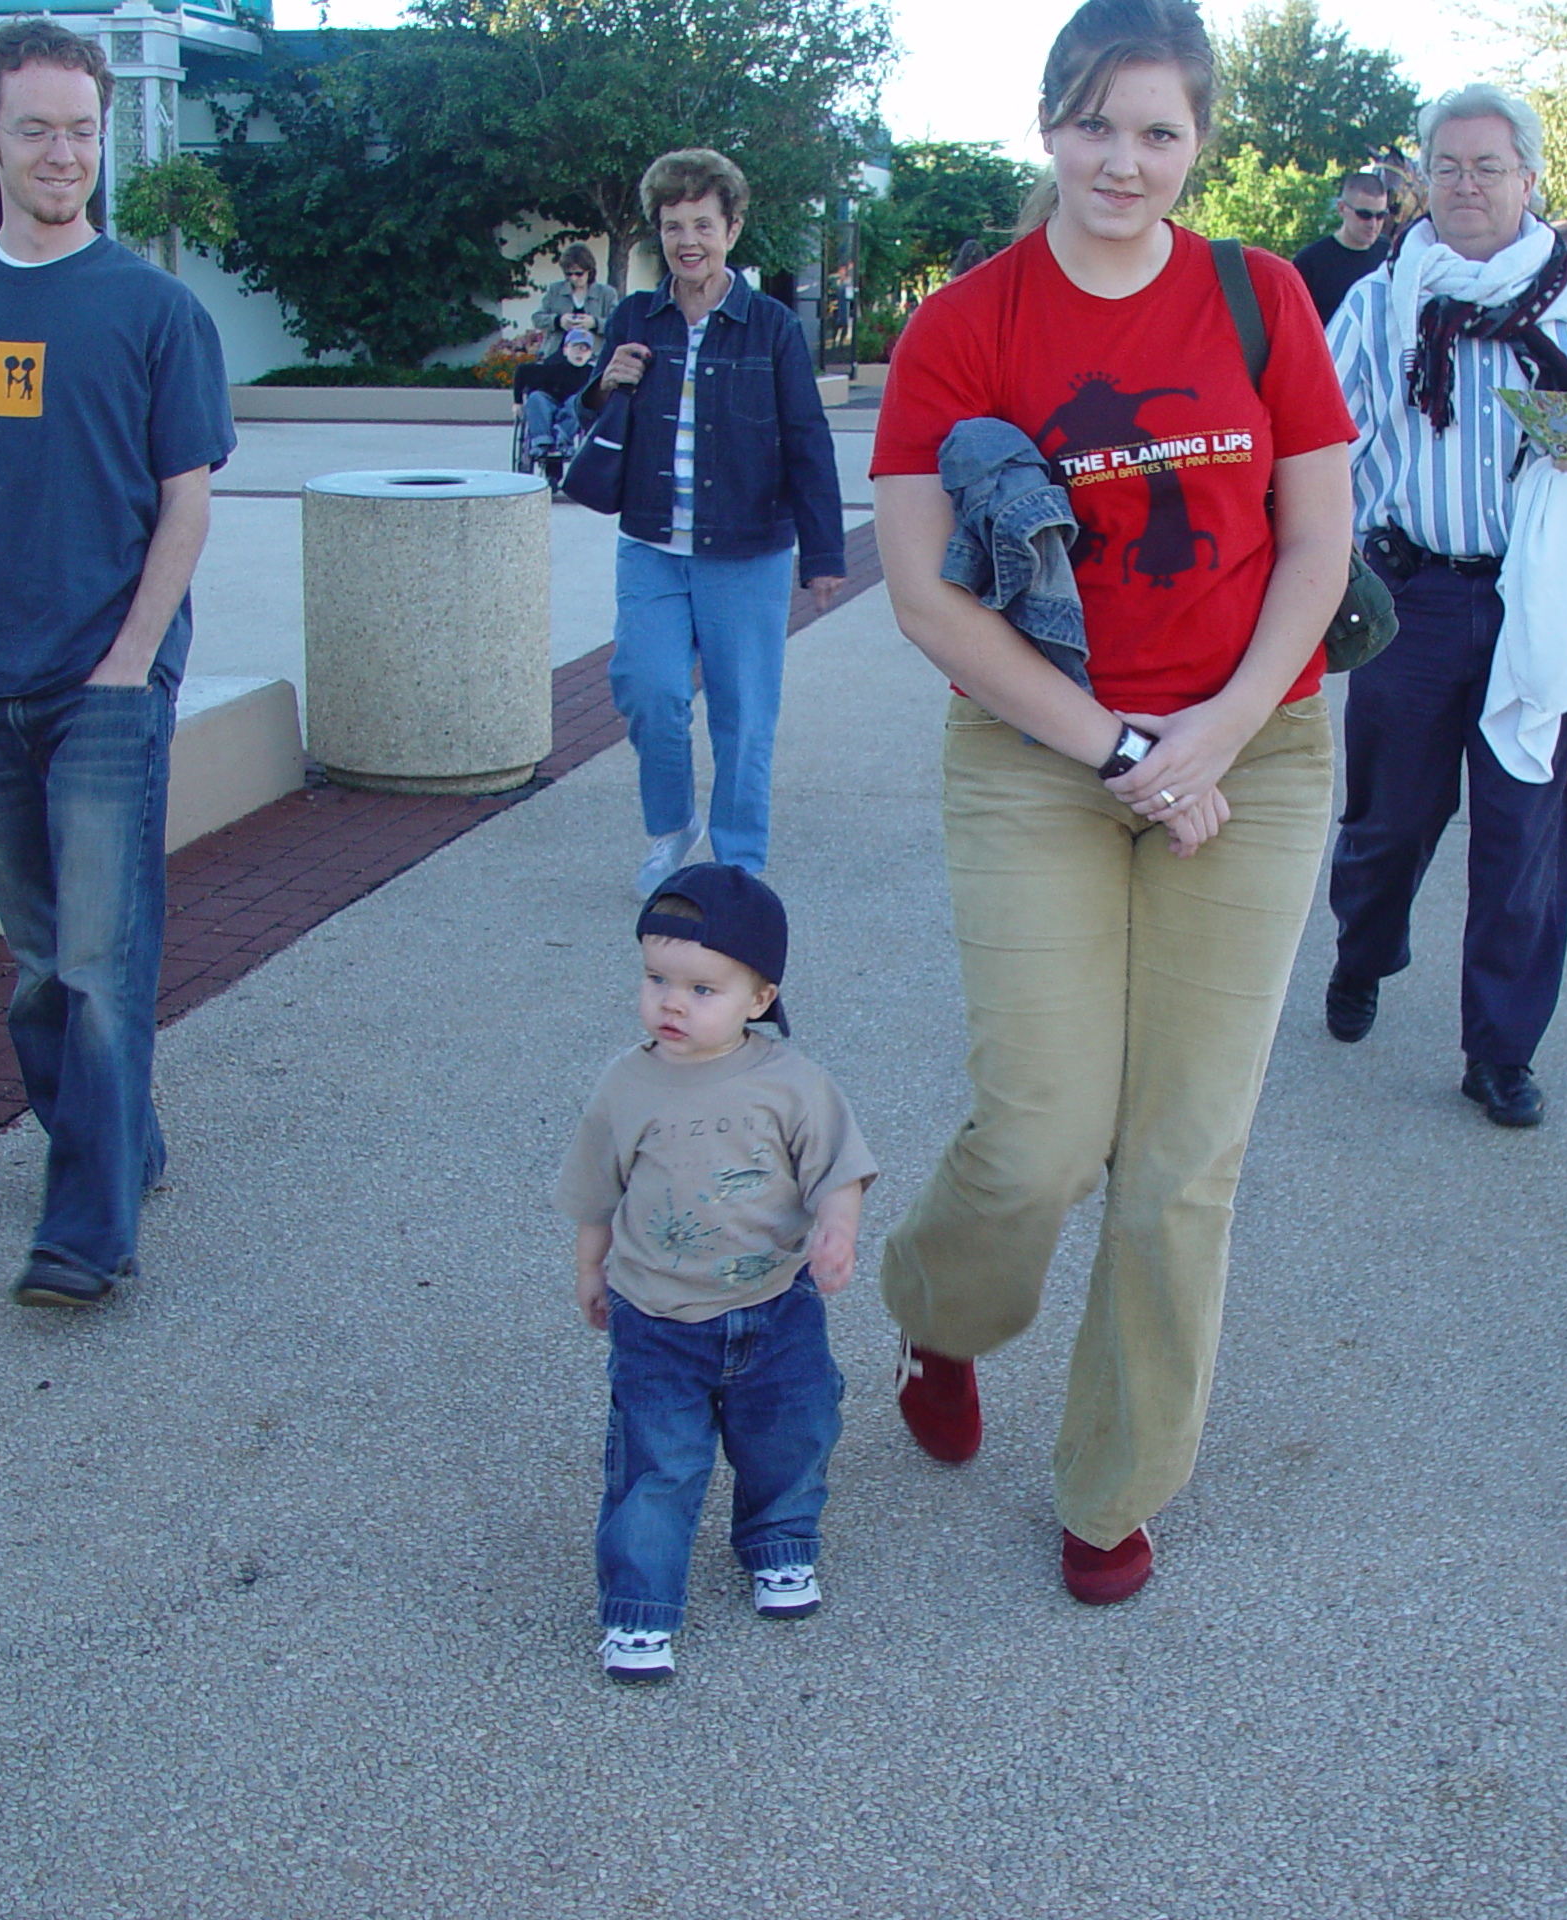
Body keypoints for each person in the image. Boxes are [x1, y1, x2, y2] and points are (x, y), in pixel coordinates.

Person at [868, 0, 1356, 1605]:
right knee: (1041, 1141)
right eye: (1094, 124)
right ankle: (941, 1315)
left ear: (1198, 141)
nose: (1123, 160)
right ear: (1048, 127)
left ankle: (1113, 1481)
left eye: (1158, 131)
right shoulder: (969, 324)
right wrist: (1121, 754)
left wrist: (1210, 738)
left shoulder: (1263, 300)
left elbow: (1318, 548)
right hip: (1040, 759)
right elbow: (929, 601)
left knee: (1182, 1155)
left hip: (1249, 759)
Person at [0, 17, 233, 1308]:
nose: (63, 152)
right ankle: (118, 1139)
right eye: (36, 129)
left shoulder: (156, 311)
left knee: (100, 961)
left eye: (82, 128)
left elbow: (187, 501)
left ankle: (85, 1236)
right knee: (37, 964)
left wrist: (131, 660)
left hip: (107, 689)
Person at [1319, 83, 1567, 1128]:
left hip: (1531, 606)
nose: (1466, 185)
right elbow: (1323, 451)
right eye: (1448, 167)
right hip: (1409, 598)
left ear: (1529, 180)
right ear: (1424, 179)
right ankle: (1363, 951)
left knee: (1524, 844)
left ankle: (1500, 1052)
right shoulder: (1377, 305)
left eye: (1488, 167)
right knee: (1386, 827)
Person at [555, 864, 877, 1685]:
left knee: (793, 1432)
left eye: (703, 989)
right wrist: (591, 1267)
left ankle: (779, 1542)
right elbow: (598, 1189)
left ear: (759, 999)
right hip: (657, 1316)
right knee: (656, 1460)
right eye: (657, 979)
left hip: (777, 1306)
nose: (671, 1003)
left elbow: (837, 1168)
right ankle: (639, 1607)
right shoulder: (625, 1086)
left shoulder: (791, 1084)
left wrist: (837, 1231)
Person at [593, 148, 847, 889]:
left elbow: (806, 438)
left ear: (732, 229)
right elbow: (598, 413)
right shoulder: (637, 316)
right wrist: (601, 385)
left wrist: (825, 553)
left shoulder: (767, 325)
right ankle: (673, 827)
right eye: (673, 226)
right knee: (648, 688)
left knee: (742, 718)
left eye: (702, 223)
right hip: (650, 544)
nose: (687, 241)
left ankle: (737, 864)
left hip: (746, 551)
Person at [1292, 171, 1395, 323]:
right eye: (1364, 214)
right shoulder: (1310, 262)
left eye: (1380, 216)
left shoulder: (1390, 256)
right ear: (1341, 208)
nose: (1373, 224)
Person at [513, 326, 601, 477]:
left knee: (578, 400)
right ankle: (542, 442)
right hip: (548, 408)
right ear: (566, 349)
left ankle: (561, 440)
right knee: (536, 397)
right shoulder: (552, 367)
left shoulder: (592, 374)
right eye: (576, 347)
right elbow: (521, 371)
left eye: (584, 349)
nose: (580, 352)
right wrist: (517, 402)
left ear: (590, 354)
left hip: (570, 415)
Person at [529, 242, 617, 354]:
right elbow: (537, 318)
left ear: (589, 271)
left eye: (579, 274)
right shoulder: (555, 289)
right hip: (557, 355)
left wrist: (594, 323)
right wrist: (558, 321)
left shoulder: (606, 293)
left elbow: (617, 325)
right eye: (569, 274)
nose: (574, 278)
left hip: (593, 357)